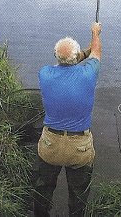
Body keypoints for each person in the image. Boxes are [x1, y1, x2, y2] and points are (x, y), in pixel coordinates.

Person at [34, 22, 102, 217]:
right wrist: (95, 33)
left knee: (42, 191)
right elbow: (96, 52)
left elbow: (69, 60)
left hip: (50, 145)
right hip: (79, 147)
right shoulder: (89, 74)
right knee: (79, 197)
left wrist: (82, 53)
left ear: (57, 56)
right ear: (77, 57)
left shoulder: (45, 73)